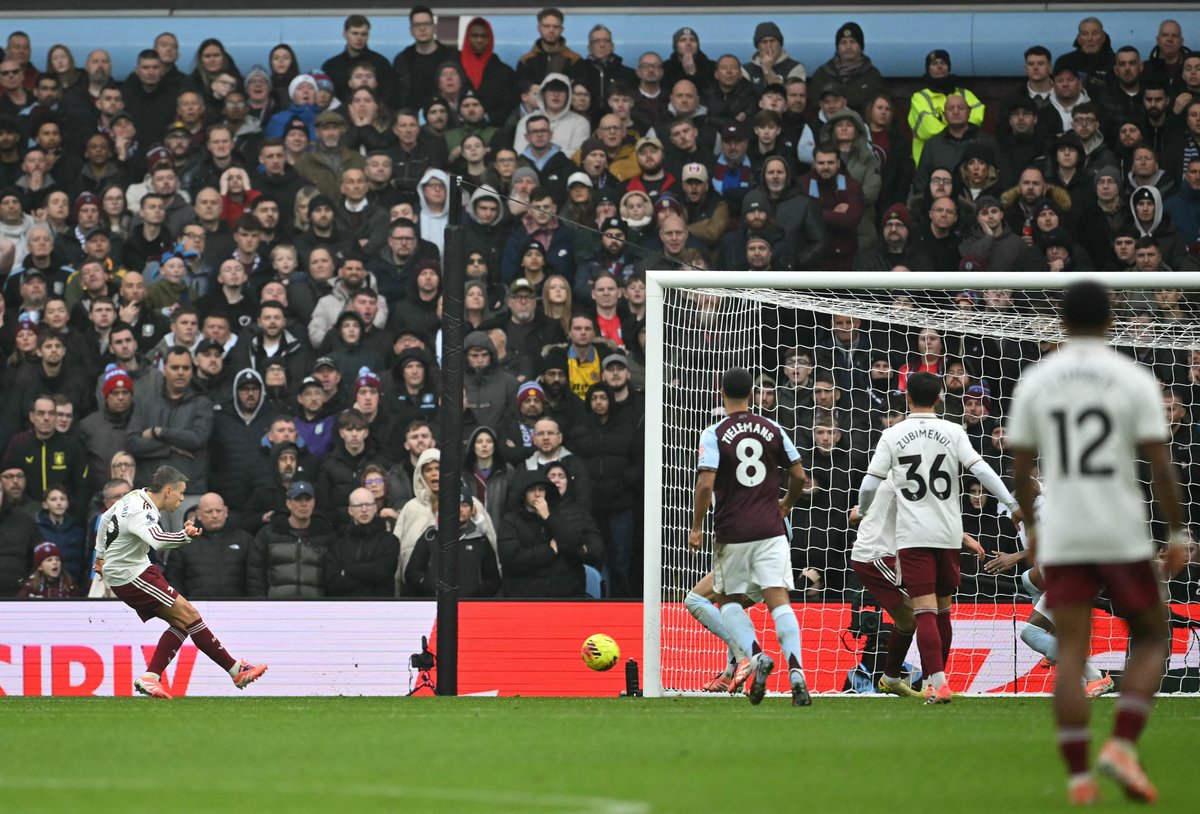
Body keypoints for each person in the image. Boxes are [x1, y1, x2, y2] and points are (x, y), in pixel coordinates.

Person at [1008, 280, 1188, 805]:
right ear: (1111, 321)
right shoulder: (1132, 378)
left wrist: (1034, 532)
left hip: (1065, 530)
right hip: (1118, 528)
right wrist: (1177, 532)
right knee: (1152, 634)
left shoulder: (1037, 380)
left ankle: (1078, 779)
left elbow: (1021, 470)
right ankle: (1123, 744)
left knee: (1071, 651)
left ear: (1062, 323)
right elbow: (1160, 466)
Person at [858, 371, 1019, 704]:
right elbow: (981, 469)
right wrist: (1012, 503)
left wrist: (862, 508)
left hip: (914, 535)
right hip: (947, 533)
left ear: (907, 398)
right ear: (940, 399)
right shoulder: (954, 430)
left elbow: (870, 483)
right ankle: (934, 679)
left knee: (924, 611)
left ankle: (938, 683)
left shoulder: (892, 434)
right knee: (943, 610)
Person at [689, 367, 812, 706]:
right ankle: (797, 672)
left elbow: (705, 484)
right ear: (752, 394)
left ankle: (755, 657)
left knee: (727, 601)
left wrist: (697, 526)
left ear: (721, 393)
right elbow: (799, 475)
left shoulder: (714, 432)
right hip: (772, 531)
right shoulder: (773, 428)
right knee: (779, 601)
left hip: (734, 531)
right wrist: (786, 503)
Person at [94, 465, 267, 699]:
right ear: (168, 490)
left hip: (136, 569)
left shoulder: (134, 496)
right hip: (131, 575)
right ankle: (236, 670)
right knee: (190, 614)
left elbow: (105, 518)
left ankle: (151, 677)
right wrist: (184, 536)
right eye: (181, 492)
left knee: (183, 623)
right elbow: (157, 541)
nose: (183, 498)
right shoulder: (143, 512)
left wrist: (100, 555)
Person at [165, 492, 252, 598]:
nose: (215, 515)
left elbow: (254, 578)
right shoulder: (184, 543)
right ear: (198, 515)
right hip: (193, 606)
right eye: (209, 511)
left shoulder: (244, 540)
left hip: (239, 606)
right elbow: (174, 579)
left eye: (218, 511)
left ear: (226, 512)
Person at [325, 487, 398, 597]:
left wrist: (346, 570)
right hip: (346, 606)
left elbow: (382, 572)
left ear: (375, 508)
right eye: (358, 505)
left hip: (379, 605)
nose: (364, 509)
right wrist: (369, 578)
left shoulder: (389, 541)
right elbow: (333, 584)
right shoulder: (338, 544)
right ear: (350, 510)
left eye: (368, 504)